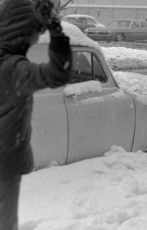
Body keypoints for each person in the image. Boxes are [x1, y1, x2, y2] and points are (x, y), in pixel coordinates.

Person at [0, 0, 72, 229]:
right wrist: (55, 29)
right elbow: (57, 74)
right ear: (22, 32)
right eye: (36, 32)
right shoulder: (13, 68)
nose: (37, 38)